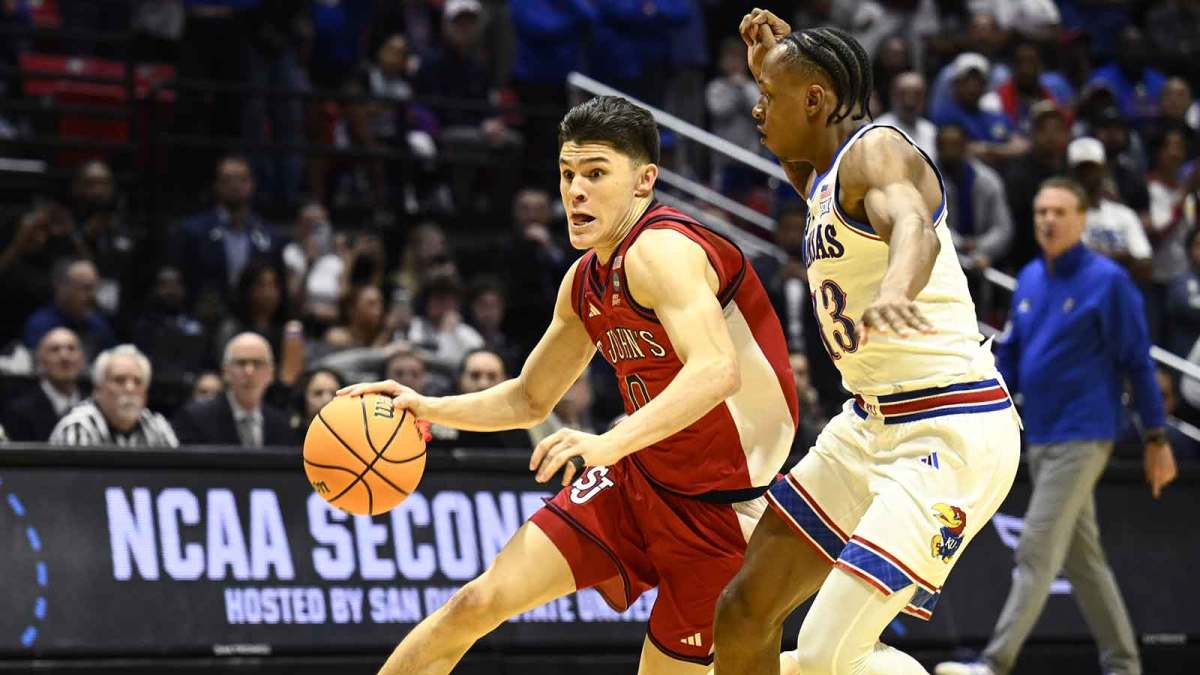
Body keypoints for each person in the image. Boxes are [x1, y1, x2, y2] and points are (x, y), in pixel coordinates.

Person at [339, 94, 797, 673]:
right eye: (567, 174)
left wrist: (607, 443)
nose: (575, 191)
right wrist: (424, 405)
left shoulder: (662, 251)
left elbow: (715, 369)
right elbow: (530, 398)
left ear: (644, 181)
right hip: (639, 478)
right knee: (474, 603)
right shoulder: (584, 279)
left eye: (596, 173)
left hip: (721, 513)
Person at [712, 14, 1021, 675]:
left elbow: (914, 226)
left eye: (768, 94)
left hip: (950, 428)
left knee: (824, 656)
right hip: (870, 422)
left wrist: (895, 290)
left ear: (816, 99)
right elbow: (804, 171)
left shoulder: (878, 152)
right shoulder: (826, 178)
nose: (757, 108)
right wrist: (776, 59)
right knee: (742, 612)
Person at [935, 177, 1178, 675]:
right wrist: (974, 411)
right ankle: (1124, 664)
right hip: (1040, 434)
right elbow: (1014, 359)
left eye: (1060, 212)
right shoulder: (1029, 278)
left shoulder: (1109, 282)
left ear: (1082, 220)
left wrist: (1156, 436)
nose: (1048, 220)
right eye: (1042, 211)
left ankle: (994, 663)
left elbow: (1137, 362)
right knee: (1084, 562)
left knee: (1036, 547)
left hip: (1085, 433)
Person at [172, 332, 292, 447]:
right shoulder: (196, 418)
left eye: (258, 363)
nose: (249, 371)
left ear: (271, 374)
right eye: (241, 363)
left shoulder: (282, 425)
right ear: (225, 372)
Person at [49, 344, 177, 447]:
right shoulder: (78, 427)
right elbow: (76, 479)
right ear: (98, 389)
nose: (130, 388)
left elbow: (175, 477)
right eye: (119, 380)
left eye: (138, 381)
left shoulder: (157, 426)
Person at [1068, 137, 1153, 281]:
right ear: (1072, 173)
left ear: (1104, 170)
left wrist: (1098, 258)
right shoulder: (1063, 216)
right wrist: (1121, 258)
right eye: (1082, 170)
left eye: (1092, 168)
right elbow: (1072, 266)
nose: (1087, 175)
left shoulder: (1124, 214)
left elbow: (1146, 266)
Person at [23, 258, 117, 359]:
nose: (93, 296)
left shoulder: (98, 325)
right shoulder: (40, 326)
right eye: (86, 288)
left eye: (95, 288)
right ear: (62, 289)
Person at [2, 328, 85, 442]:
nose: (65, 357)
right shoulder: (19, 411)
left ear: (82, 359)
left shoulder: (96, 405)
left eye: (71, 349)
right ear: (40, 361)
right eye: (55, 350)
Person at [874, 71, 937, 162]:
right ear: (893, 96)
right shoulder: (877, 130)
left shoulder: (931, 131)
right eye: (903, 94)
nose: (910, 101)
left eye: (917, 95)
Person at [289, 368, 344, 440]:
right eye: (318, 393)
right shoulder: (289, 434)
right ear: (302, 398)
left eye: (334, 393)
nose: (327, 400)